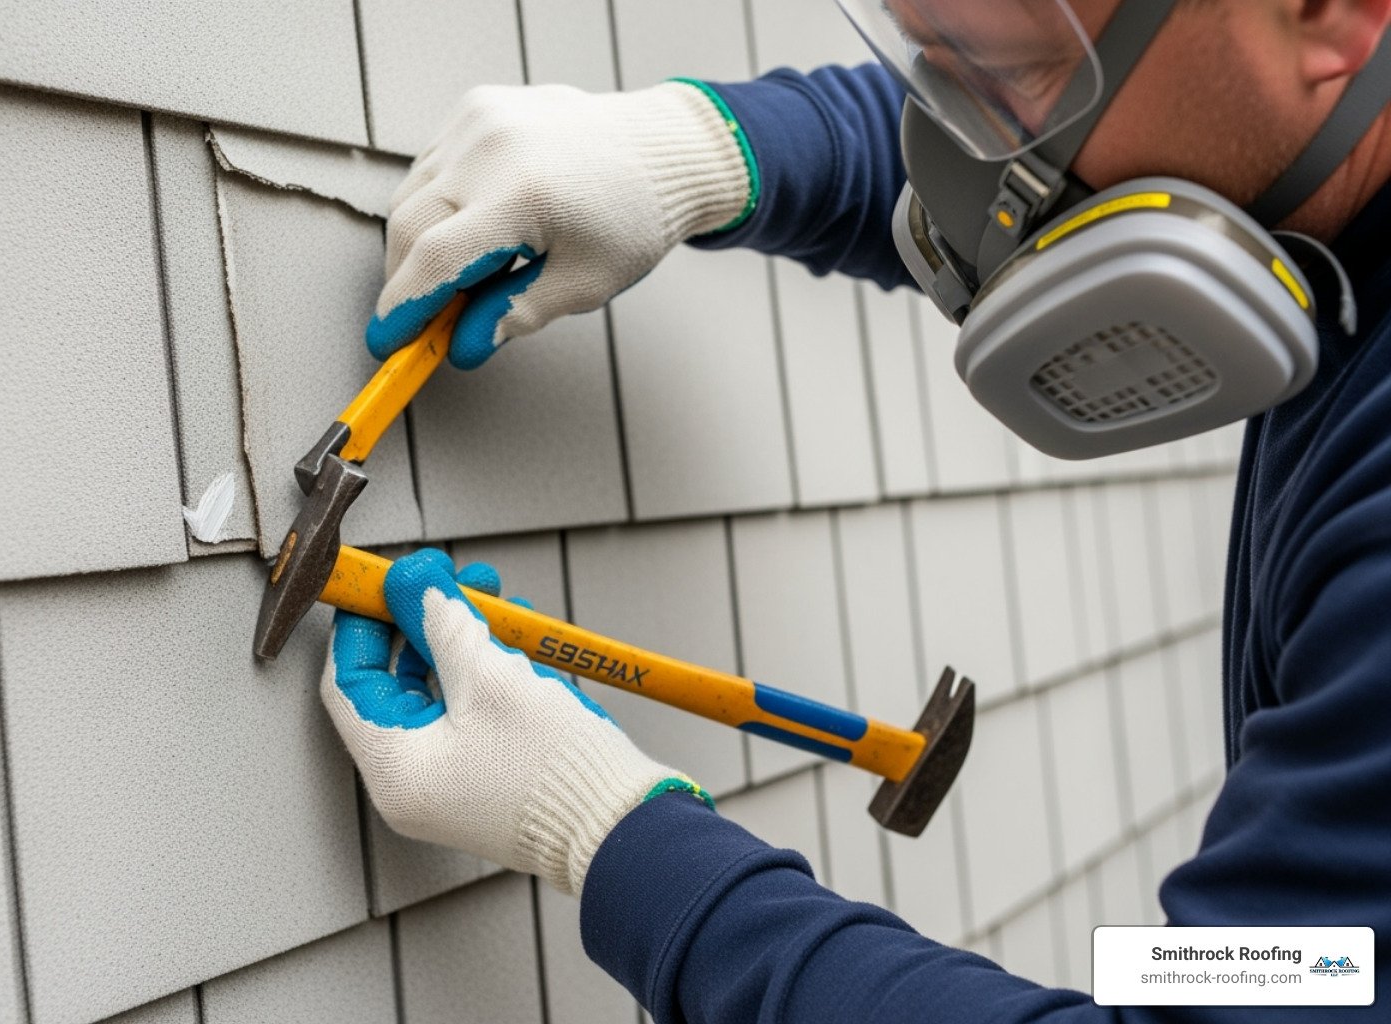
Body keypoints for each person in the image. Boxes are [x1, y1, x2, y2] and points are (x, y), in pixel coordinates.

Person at [319, 1, 1391, 1020]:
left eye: (1021, 72)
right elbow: (1332, 970)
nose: (978, 162)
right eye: (943, 57)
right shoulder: (1318, 202)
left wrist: (608, 837)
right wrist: (704, 148)